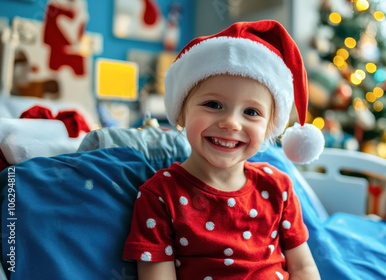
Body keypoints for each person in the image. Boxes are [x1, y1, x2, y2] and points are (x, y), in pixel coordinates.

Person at [123, 20, 324, 280]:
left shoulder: (278, 187)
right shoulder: (159, 196)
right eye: (213, 104)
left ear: (269, 127)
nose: (231, 122)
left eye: (251, 112)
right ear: (181, 112)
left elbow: (303, 267)